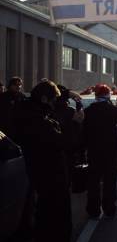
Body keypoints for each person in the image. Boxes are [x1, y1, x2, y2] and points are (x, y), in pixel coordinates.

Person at [14, 81, 72, 242]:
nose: (55, 104)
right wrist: (74, 124)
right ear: (45, 99)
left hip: (38, 173)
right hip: (50, 174)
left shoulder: (25, 111)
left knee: (41, 210)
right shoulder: (39, 120)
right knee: (52, 212)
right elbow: (60, 142)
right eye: (53, 100)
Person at [83, 84, 117, 218]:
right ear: (108, 95)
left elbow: (83, 131)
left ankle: (93, 209)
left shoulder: (88, 111)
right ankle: (109, 208)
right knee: (110, 180)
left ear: (96, 96)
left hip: (93, 150)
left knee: (93, 181)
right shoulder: (113, 110)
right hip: (110, 149)